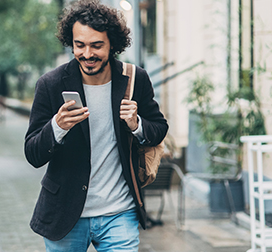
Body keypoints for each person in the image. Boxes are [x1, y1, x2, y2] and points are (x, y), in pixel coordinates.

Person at [24, 0, 168, 251]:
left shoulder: (135, 79)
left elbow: (159, 129)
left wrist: (137, 125)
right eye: (79, 45)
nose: (87, 54)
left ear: (113, 44)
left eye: (96, 45)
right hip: (65, 214)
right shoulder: (51, 84)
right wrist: (57, 127)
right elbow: (33, 153)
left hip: (119, 213)